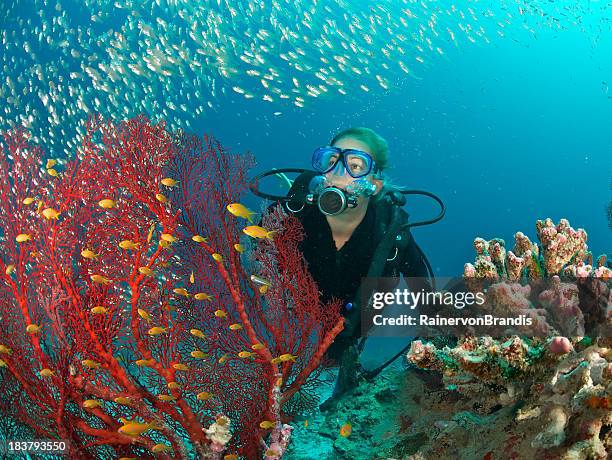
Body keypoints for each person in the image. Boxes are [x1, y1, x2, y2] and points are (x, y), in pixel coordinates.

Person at [272, 127, 434, 405]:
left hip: (360, 317)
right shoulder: (295, 211)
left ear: (375, 184)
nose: (338, 173)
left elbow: (426, 295)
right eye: (331, 161)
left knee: (342, 358)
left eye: (355, 165)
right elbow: (257, 256)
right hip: (298, 315)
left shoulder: (390, 229)